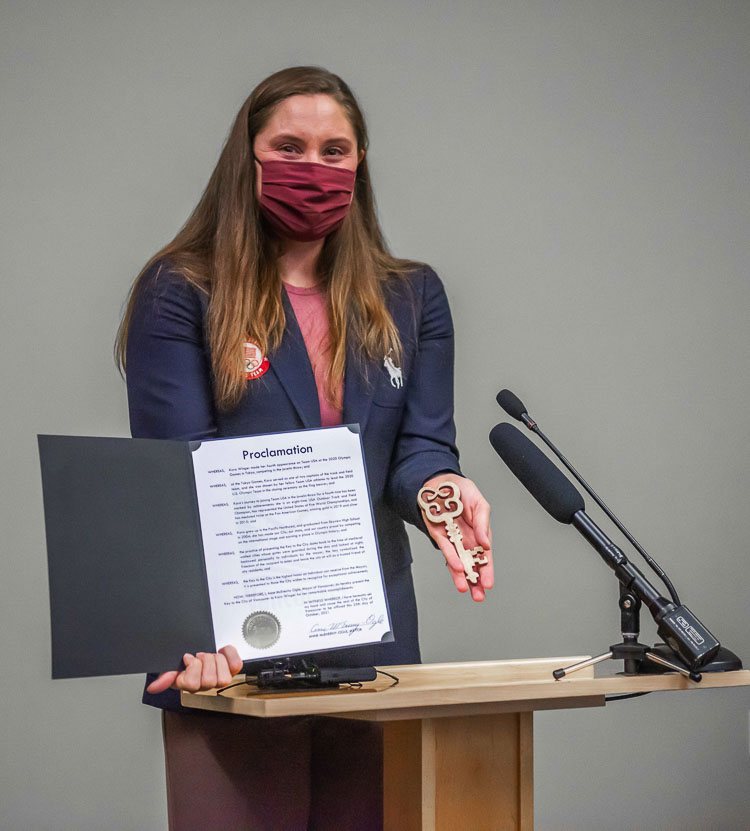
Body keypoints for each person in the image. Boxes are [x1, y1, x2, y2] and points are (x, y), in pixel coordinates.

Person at [116, 65, 493, 831]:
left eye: (335, 150)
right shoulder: (182, 289)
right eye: (290, 147)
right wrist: (191, 634)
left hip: (371, 649)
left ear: (361, 163)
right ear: (247, 160)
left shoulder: (412, 297)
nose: (313, 168)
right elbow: (175, 479)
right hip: (229, 653)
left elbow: (418, 448)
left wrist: (441, 493)